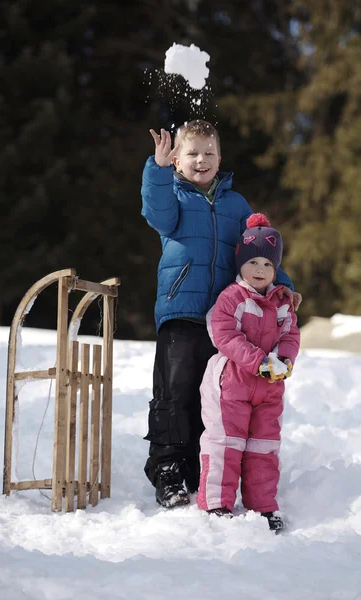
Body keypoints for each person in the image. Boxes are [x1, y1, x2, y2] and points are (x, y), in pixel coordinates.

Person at [141, 119, 302, 509]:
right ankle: (167, 469)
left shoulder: (235, 204)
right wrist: (158, 170)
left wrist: (284, 285)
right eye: (192, 154)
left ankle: (199, 465)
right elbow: (156, 213)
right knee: (174, 392)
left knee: (209, 395)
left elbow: (253, 252)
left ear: (220, 158)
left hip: (225, 320)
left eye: (209, 153)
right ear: (177, 159)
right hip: (180, 311)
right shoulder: (173, 195)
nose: (202, 160)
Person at [196, 213, 300, 532]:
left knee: (263, 447)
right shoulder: (232, 298)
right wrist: (259, 361)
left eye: (268, 265)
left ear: (275, 269)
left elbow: (290, 335)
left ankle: (263, 505)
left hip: (269, 388)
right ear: (241, 263)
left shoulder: (282, 304)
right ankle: (217, 502)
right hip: (232, 383)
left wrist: (283, 360)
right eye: (253, 262)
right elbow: (225, 336)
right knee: (226, 443)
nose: (260, 270)